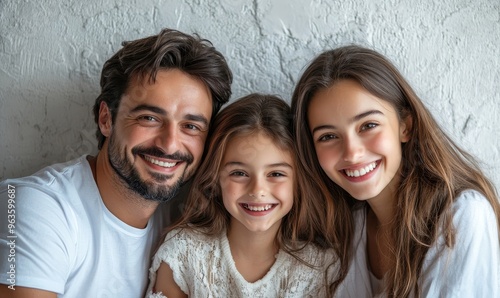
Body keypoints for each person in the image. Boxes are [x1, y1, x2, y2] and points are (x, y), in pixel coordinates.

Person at [0, 28, 232, 297]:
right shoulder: (39, 206)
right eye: (149, 118)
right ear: (106, 119)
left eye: (191, 126)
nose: (170, 144)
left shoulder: (182, 219)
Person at [291, 45, 500, 297]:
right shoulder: (350, 223)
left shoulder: (460, 216)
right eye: (328, 136)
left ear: (405, 126)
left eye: (368, 125)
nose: (352, 153)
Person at [145, 94, 337, 298]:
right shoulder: (184, 254)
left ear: (299, 182)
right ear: (216, 178)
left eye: (276, 174)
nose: (257, 190)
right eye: (239, 173)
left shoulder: (320, 267)